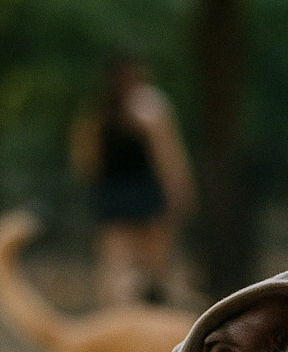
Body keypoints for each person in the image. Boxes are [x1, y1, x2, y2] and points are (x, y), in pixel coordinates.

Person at [71, 54, 196, 306]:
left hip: (115, 199)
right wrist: (180, 194)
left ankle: (122, 321)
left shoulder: (97, 114)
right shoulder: (152, 108)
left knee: (118, 275)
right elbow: (169, 159)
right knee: (155, 274)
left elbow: (86, 164)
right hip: (147, 199)